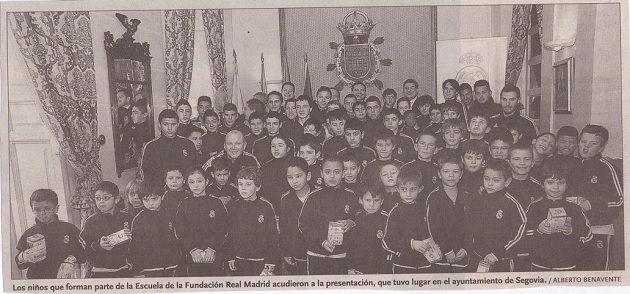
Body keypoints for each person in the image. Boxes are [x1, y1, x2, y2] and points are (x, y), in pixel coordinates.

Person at [525, 157, 592, 271]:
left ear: (567, 185)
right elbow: (523, 232)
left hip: (567, 265)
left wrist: (571, 231)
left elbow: (588, 234)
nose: (555, 187)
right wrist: (539, 230)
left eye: (560, 182)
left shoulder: (574, 208)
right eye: (550, 182)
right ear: (542, 184)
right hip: (539, 264)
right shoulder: (534, 207)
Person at [573, 125, 623, 270]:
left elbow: (620, 201)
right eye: (583, 141)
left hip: (598, 231)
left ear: (601, 148)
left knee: (596, 276)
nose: (585, 147)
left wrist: (591, 204)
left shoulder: (608, 168)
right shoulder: (574, 166)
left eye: (592, 143)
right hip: (575, 231)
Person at [298, 156, 359, 275]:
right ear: (321, 173)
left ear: (343, 173)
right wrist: (321, 241)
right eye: (327, 172)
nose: (332, 176)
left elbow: (358, 219)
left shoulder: (350, 196)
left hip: (341, 255)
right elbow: (303, 225)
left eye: (336, 172)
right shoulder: (313, 197)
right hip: (316, 254)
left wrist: (351, 222)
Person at [464, 159, 526, 272]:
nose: (490, 183)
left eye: (496, 180)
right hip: (477, 257)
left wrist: (497, 254)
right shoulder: (477, 201)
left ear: (506, 182)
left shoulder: (511, 203)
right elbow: (469, 228)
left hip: (501, 260)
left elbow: (519, 234)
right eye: (486, 179)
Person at [16, 189, 85, 279]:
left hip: (63, 279)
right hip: (37, 282)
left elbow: (83, 253)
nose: (42, 213)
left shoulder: (69, 229)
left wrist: (71, 259)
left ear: (56, 208)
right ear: (32, 209)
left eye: (47, 208)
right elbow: (19, 264)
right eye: (37, 209)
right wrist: (23, 257)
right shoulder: (28, 234)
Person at [175, 168, 228, 276]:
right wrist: (192, 249)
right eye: (191, 182)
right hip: (193, 256)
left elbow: (224, 228)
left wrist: (212, 248)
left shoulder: (216, 203)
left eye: (199, 181)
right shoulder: (184, 205)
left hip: (214, 254)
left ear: (207, 181)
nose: (196, 185)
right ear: (187, 183)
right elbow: (180, 232)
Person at [227, 167, 279, 276]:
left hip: (260, 260)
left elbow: (273, 236)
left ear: (258, 187)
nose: (243, 188)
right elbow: (230, 234)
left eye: (248, 184)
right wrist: (231, 256)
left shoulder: (266, 207)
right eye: (240, 184)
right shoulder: (234, 206)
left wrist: (271, 260)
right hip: (239, 259)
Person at [382, 169, 433, 273]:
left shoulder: (425, 209)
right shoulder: (395, 212)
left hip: (426, 264)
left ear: (420, 189)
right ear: (397, 189)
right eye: (404, 190)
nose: (408, 194)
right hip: (403, 265)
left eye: (413, 189)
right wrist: (412, 244)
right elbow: (387, 241)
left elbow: (432, 233)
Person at [80, 181, 133, 277]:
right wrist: (98, 245)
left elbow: (139, 245)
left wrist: (131, 238)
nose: (101, 201)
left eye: (106, 198)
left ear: (116, 199)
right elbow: (83, 249)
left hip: (125, 270)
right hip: (100, 272)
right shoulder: (90, 221)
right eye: (98, 198)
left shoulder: (127, 218)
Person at [128, 179, 180, 277]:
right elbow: (135, 245)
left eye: (154, 199)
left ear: (162, 196)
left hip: (173, 266)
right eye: (146, 200)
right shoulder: (138, 219)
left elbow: (179, 238)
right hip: (150, 268)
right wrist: (136, 269)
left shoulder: (172, 214)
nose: (150, 203)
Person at [426, 155, 469, 272]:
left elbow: (471, 225)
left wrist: (466, 248)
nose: (451, 175)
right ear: (439, 174)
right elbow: (433, 228)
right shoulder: (434, 197)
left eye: (455, 171)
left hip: (462, 254)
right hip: (441, 256)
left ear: (461, 174)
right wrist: (448, 251)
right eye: (446, 171)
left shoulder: (466, 196)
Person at [140, 109, 197, 182]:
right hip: (160, 190)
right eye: (165, 124)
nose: (169, 128)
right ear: (159, 125)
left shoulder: (188, 144)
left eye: (173, 124)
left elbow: (194, 170)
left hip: (184, 189)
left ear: (178, 124)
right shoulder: (151, 147)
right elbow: (147, 173)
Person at [346, 188, 390, 274]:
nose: (372, 204)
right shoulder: (356, 219)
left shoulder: (387, 219)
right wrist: (350, 267)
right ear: (360, 200)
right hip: (358, 269)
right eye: (368, 200)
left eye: (376, 200)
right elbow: (351, 246)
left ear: (382, 201)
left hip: (380, 270)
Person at [279, 158, 312, 275]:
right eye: (290, 177)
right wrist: (287, 251)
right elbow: (284, 228)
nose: (295, 181)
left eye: (298, 176)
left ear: (308, 176)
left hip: (318, 250)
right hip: (297, 252)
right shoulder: (285, 199)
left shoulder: (318, 195)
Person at [261, 135, 293, 210]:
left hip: (288, 206)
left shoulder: (293, 165)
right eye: (273, 146)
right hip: (270, 207)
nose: (276, 149)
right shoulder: (266, 166)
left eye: (280, 146)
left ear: (288, 148)